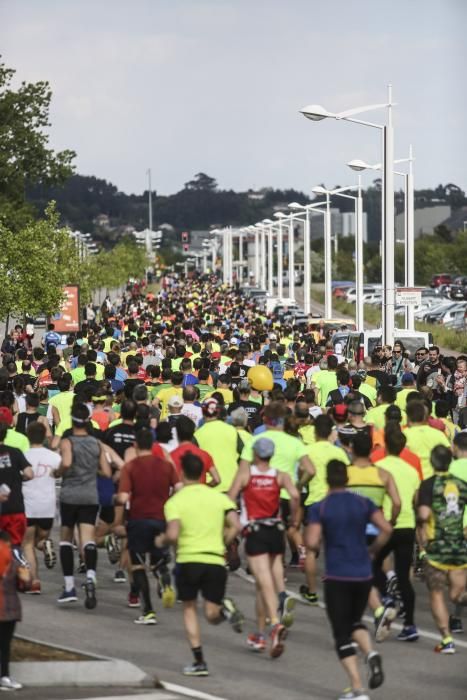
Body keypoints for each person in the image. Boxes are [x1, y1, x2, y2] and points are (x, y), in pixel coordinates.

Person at [306, 460, 391, 700]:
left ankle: (357, 688)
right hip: (363, 574)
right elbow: (386, 528)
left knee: (341, 632)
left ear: (326, 479)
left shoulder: (321, 508)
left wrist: (320, 537)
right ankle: (371, 654)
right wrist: (373, 550)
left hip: (337, 575)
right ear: (347, 478)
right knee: (355, 621)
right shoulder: (362, 502)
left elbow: (311, 542)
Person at [156, 452, 244, 677]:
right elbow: (236, 525)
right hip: (215, 560)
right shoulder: (218, 498)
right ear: (203, 472)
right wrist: (222, 543)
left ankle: (199, 661)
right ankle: (224, 610)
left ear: (182, 473)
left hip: (188, 560)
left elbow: (173, 533)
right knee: (211, 613)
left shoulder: (176, 501)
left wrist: (162, 540)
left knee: (189, 608)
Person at [228, 438, 299, 657]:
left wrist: (235, 523)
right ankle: (259, 634)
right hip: (276, 529)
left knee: (262, 578)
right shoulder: (280, 475)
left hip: (255, 530)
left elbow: (229, 499)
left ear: (256, 454)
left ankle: (275, 624)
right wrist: (294, 520)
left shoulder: (246, 473)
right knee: (261, 585)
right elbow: (295, 495)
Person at [116, 428, 181, 623]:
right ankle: (163, 577)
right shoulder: (166, 466)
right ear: (154, 446)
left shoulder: (131, 467)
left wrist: (115, 497)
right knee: (157, 558)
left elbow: (124, 497)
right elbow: (178, 488)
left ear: (135, 445)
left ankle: (148, 611)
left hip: (138, 519)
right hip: (160, 518)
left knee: (137, 565)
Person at [57, 403, 112, 608]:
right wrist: (92, 471)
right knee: (88, 539)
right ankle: (90, 576)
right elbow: (106, 472)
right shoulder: (96, 443)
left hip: (70, 494)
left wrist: (58, 473)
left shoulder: (67, 442)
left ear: (72, 420)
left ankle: (69, 586)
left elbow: (67, 462)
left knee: (65, 539)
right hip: (90, 495)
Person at [417, 445, 467, 654]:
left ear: (432, 462)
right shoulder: (462, 485)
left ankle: (446, 639)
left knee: (437, 593)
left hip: (437, 545)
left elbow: (424, 514)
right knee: (457, 595)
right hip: (458, 545)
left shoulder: (429, 485)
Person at [373, 424, 421, 641]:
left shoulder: (379, 466)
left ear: (385, 447)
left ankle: (385, 599)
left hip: (386, 524)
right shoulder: (411, 471)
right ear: (403, 448)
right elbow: (416, 500)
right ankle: (410, 625)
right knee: (404, 576)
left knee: (373, 563)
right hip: (407, 526)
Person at [300, 414, 350, 605]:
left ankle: (312, 591)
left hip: (314, 502)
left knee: (311, 549)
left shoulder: (307, 451)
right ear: (331, 432)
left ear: (314, 432)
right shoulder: (339, 453)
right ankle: (338, 586)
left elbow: (301, 473)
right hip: (335, 502)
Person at [22, 422, 61, 594]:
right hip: (48, 506)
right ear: (45, 435)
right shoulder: (54, 457)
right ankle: (45, 545)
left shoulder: (23, 456)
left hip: (29, 505)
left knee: (28, 544)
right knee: (41, 538)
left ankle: (35, 581)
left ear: (27, 436)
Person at [0, 531, 31, 691]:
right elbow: (24, 584)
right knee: (4, 644)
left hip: (8, 608)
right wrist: (26, 579)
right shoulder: (12, 560)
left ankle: (4, 676)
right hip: (8, 609)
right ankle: (4, 676)